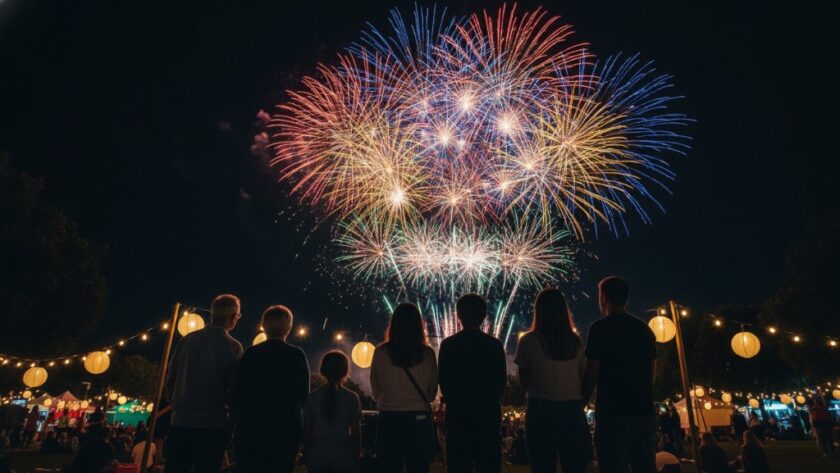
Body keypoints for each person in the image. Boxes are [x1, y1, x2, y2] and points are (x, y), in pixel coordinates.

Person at [582, 276, 657, 473]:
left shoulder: (599, 329)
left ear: (603, 298)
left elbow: (592, 372)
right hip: (643, 412)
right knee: (645, 466)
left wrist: (581, 401)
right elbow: (652, 372)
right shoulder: (644, 329)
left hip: (612, 413)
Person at [165, 294, 244, 473]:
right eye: (238, 316)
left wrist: (176, 405)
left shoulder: (187, 341)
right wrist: (231, 425)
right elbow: (234, 390)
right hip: (212, 425)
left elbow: (171, 377)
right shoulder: (233, 346)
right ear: (233, 317)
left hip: (180, 422)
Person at [514, 289, 591, 473]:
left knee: (542, 465)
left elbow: (523, 381)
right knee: (575, 465)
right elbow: (584, 376)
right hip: (572, 408)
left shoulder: (528, 341)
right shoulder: (576, 342)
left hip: (539, 407)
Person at [232, 304, 310, 473]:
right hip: (285, 429)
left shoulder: (251, 354)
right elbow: (304, 395)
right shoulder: (296, 355)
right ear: (288, 328)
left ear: (264, 326)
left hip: (251, 429)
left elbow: (237, 392)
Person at [438, 294, 507, 473]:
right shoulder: (494, 345)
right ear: (484, 316)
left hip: (457, 419)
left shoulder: (448, 345)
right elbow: (500, 385)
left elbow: (444, 383)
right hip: (488, 418)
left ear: (458, 316)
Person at [370, 302, 439, 473]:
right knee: (419, 466)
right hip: (419, 418)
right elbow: (431, 393)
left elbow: (376, 389)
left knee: (389, 466)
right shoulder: (427, 354)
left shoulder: (381, 352)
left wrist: (388, 400)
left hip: (390, 417)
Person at [304, 350, 362, 473]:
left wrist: (306, 456)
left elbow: (307, 434)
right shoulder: (352, 398)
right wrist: (356, 458)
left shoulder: (312, 398)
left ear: (323, 370)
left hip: (317, 457)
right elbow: (356, 435)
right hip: (344, 457)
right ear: (345, 371)